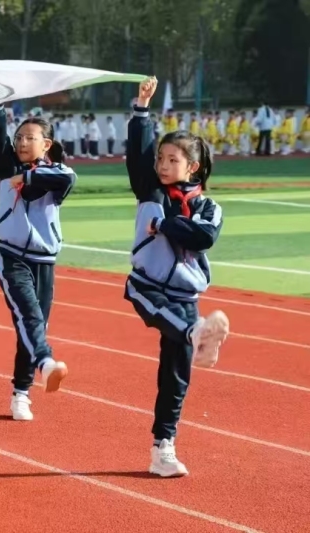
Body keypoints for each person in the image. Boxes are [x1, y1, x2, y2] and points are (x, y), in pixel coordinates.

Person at [124, 76, 230, 477]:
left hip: (186, 297)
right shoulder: (150, 191)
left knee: (176, 376)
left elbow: (203, 237)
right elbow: (138, 154)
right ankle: (196, 334)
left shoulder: (209, 207)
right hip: (146, 286)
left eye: (173, 160)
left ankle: (162, 448)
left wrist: (166, 225)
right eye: (161, 159)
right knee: (180, 328)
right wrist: (142, 109)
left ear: (193, 167)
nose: (163, 166)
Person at [0, 103, 77, 422]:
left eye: (30, 138)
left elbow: (68, 177)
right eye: (19, 137)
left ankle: (20, 394)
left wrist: (25, 177)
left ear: (46, 144)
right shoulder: (6, 167)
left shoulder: (56, 173)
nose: (22, 142)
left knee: (33, 326)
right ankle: (46, 363)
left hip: (44, 260)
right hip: (10, 255)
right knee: (30, 317)